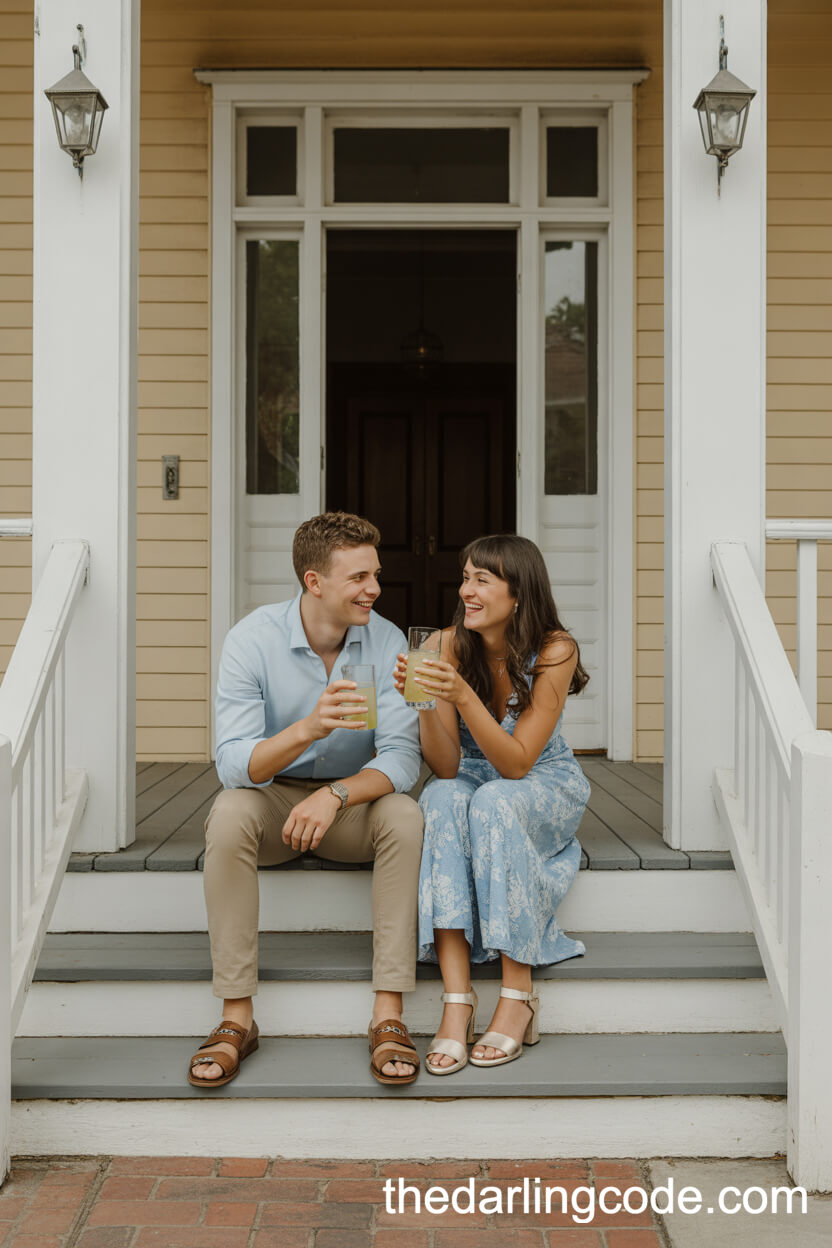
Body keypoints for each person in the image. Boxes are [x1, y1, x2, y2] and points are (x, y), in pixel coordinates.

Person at [189, 512, 424, 1089]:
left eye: (377, 574)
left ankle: (389, 1014)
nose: (374, 588)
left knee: (405, 814)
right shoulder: (251, 639)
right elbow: (234, 764)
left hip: (349, 804)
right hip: (271, 803)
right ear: (314, 582)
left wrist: (335, 794)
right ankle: (236, 1018)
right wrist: (307, 729)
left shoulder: (389, 638)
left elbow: (401, 757)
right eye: (359, 577)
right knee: (227, 815)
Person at [394, 533, 590, 1076]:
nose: (466, 591)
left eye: (482, 579)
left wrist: (460, 695)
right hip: (478, 776)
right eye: (465, 578)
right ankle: (458, 1002)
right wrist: (426, 700)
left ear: (518, 593)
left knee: (495, 802)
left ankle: (517, 994)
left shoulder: (555, 649)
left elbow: (518, 763)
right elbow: (448, 766)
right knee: (440, 797)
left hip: (540, 781)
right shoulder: (442, 644)